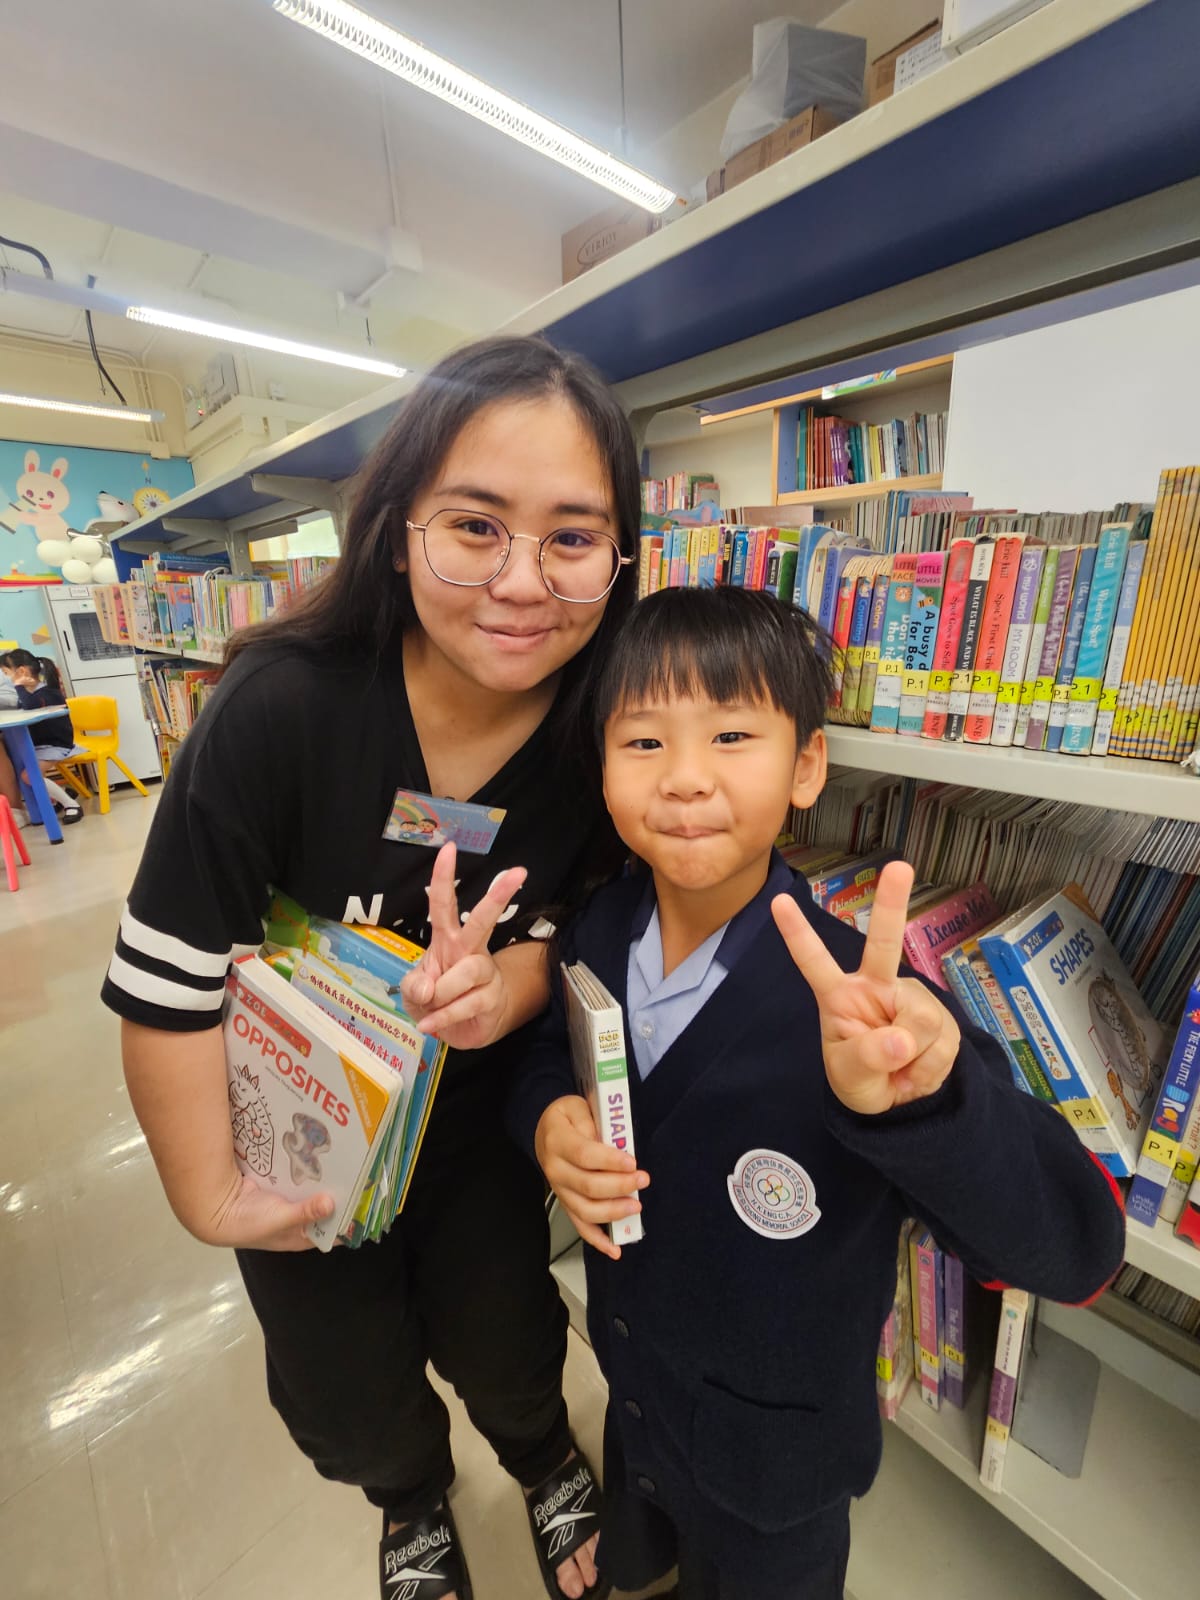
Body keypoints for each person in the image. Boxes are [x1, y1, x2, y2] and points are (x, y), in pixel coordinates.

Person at [101, 335, 640, 1600]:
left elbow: (579, 930)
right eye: (475, 526)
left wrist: (506, 988)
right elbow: (168, 976)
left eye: (572, 536)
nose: (522, 581)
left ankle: (542, 1456)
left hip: (476, 1121)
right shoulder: (280, 708)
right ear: (398, 532)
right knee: (341, 1380)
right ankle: (407, 1500)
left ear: (621, 556)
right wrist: (208, 1194)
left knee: (505, 1326)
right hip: (298, 1124)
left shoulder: (600, 732)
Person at [507, 586, 1127, 1600]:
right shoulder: (601, 927)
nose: (686, 777)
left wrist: (927, 1103)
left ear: (806, 766)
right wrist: (547, 1120)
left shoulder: (865, 1012)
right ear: (602, 766)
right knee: (647, 1551)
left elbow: (1074, 1248)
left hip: (776, 1473)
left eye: (732, 735)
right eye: (645, 741)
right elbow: (547, 1051)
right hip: (638, 1394)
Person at [0, 649, 84, 823]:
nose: (5, 678)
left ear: (21, 671)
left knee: (28, 776)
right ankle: (59, 796)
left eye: (6, 673)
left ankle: (71, 804)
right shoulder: (33, 693)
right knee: (21, 769)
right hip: (42, 745)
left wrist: (18, 686)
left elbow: (30, 706)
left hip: (56, 745)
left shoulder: (48, 693)